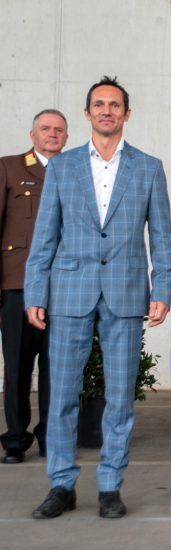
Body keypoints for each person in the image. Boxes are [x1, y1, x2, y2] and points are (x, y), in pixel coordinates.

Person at [24, 77, 171, 519]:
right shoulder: (63, 167)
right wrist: (35, 290)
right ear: (87, 113)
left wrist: (162, 288)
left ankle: (110, 485)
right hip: (69, 291)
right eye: (98, 104)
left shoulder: (148, 167)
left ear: (127, 113)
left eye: (114, 105)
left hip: (126, 294)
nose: (106, 111)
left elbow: (162, 235)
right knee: (61, 396)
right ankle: (61, 484)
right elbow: (44, 236)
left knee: (120, 397)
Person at [0, 109, 69, 464]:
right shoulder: (9, 167)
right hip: (19, 285)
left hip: (66, 286)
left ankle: (51, 437)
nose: (52, 134)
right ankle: (15, 439)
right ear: (32, 135)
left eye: (59, 129)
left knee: (58, 369)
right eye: (45, 128)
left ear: (67, 137)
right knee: (17, 366)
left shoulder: (76, 171)